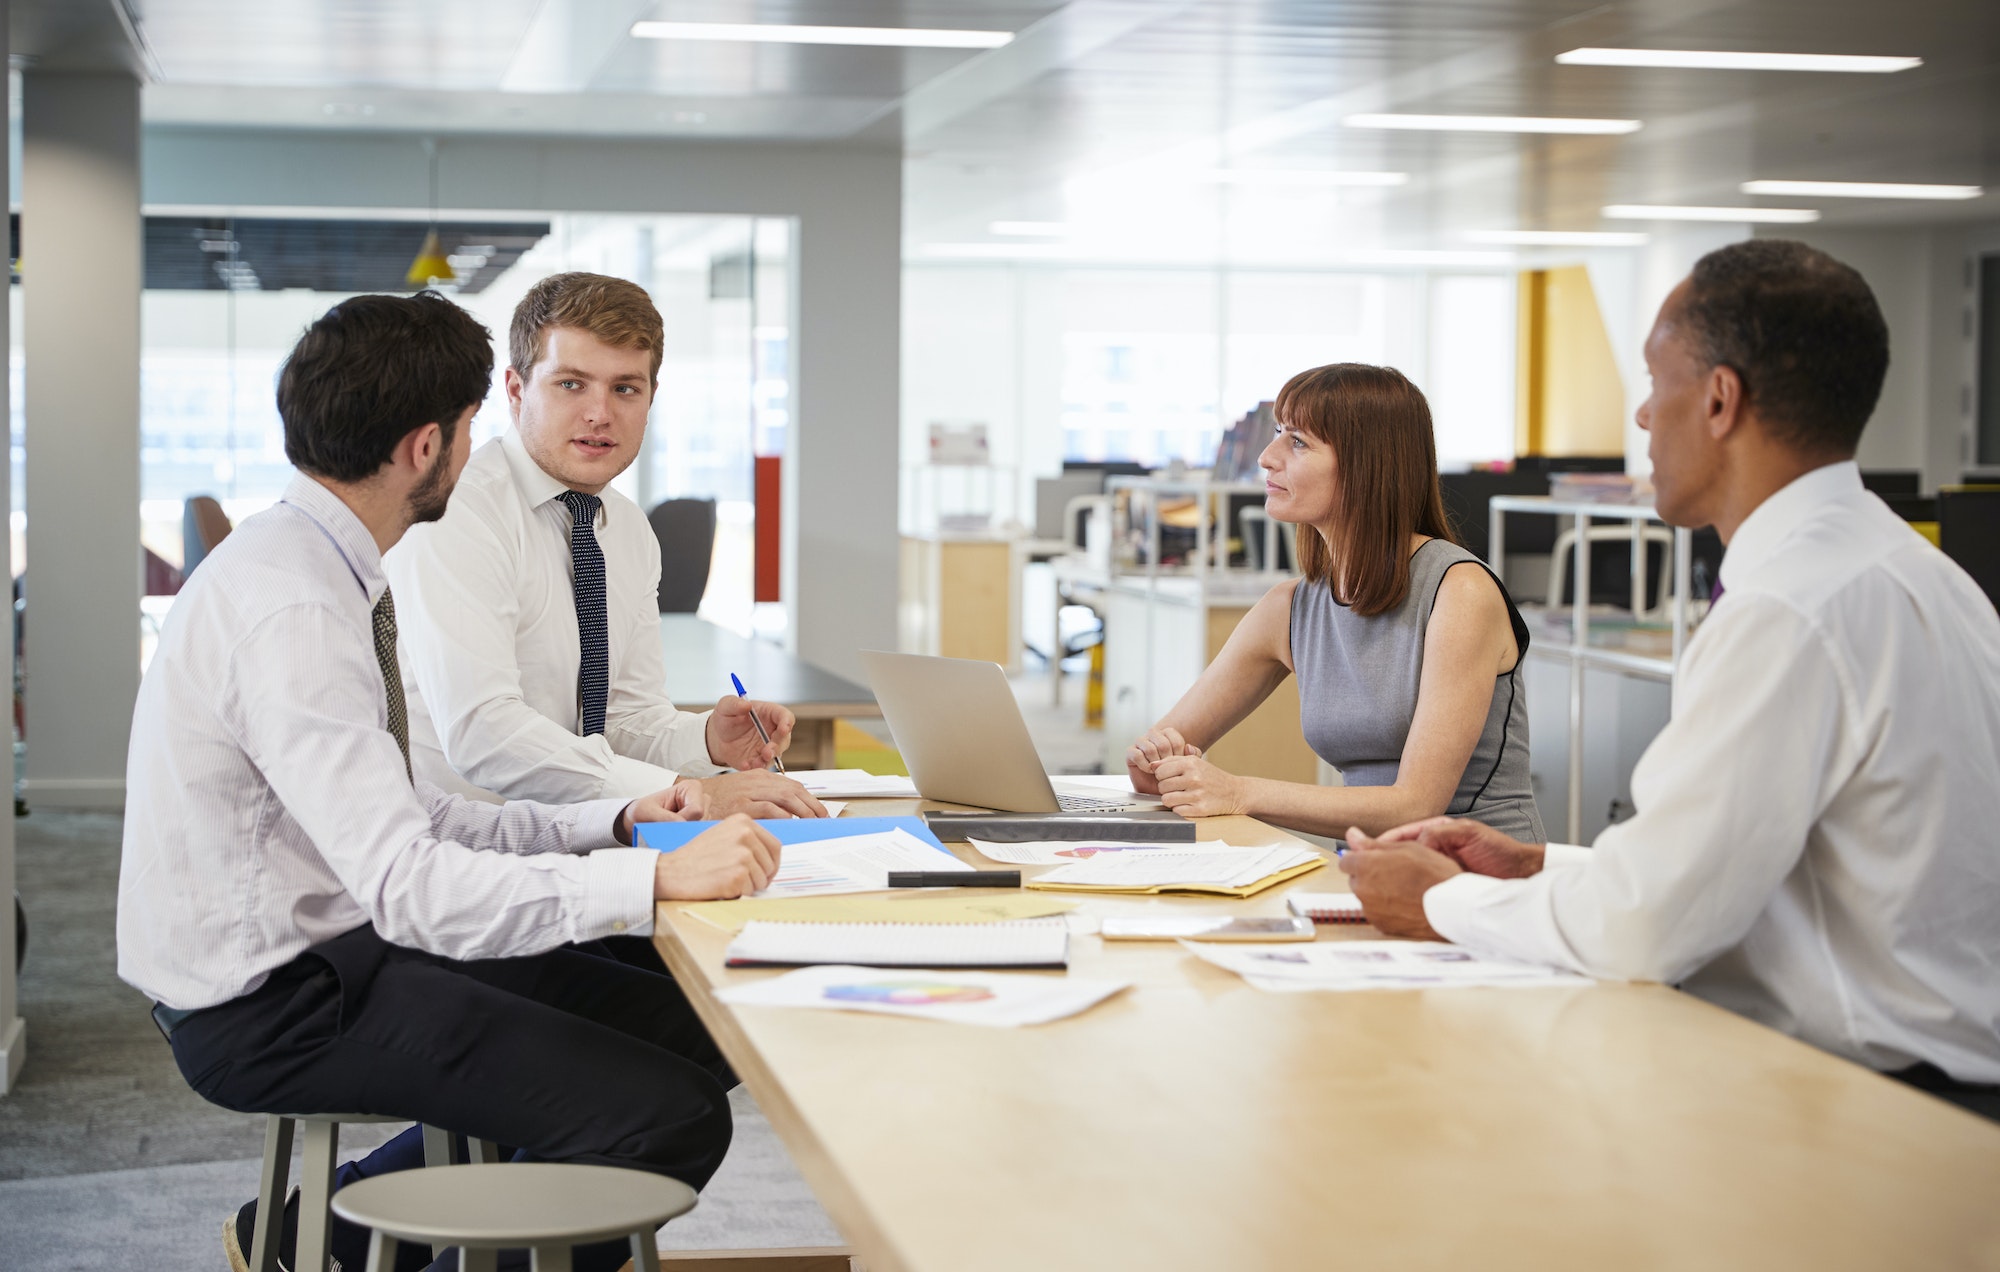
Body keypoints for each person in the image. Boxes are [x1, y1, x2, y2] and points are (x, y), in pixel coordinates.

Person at [117, 291, 785, 1272]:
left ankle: (359, 1231)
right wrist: (649, 879)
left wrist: (616, 824)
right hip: (276, 999)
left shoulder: (313, 565)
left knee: (693, 1019)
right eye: (476, 425)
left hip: (334, 944)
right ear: (430, 446)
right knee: (664, 1117)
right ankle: (370, 1230)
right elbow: (410, 883)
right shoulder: (295, 610)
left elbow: (411, 811)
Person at [1340, 240, 2000, 1119]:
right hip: (1934, 1091)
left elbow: (1645, 927)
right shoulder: (1917, 573)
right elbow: (1772, 863)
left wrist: (1444, 901)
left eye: (1656, 385)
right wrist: (1538, 867)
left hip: (1868, 1104)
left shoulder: (1790, 608)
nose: (1645, 418)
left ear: (1721, 399)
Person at [383, 271, 824, 819]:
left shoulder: (627, 528)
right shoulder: (455, 513)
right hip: (462, 854)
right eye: (571, 384)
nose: (600, 413)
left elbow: (619, 718)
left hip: (586, 841)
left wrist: (707, 742)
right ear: (517, 391)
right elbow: (483, 733)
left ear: (650, 397)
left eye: (624, 388)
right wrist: (690, 794)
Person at [1124, 364, 1544, 842]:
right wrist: (1155, 759)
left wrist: (1239, 791)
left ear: (1368, 465)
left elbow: (1415, 806)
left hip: (1481, 877)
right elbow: (1154, 767)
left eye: (1297, 442)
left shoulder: (1460, 592)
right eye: (1278, 434)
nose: (1266, 457)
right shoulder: (1288, 608)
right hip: (1374, 866)